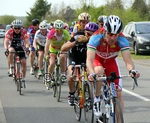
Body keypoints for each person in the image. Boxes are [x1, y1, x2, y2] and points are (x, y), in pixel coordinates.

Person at [86, 15, 140, 118]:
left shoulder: (122, 40)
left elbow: (128, 60)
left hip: (111, 63)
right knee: (99, 71)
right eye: (110, 34)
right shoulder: (96, 37)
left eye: (116, 35)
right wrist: (92, 73)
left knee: (118, 94)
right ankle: (97, 98)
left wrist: (132, 70)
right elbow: (89, 60)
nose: (113, 38)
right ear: (105, 31)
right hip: (97, 60)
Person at [61, 22, 99, 106]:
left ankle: (90, 96)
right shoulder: (77, 36)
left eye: (93, 35)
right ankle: (71, 94)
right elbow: (63, 48)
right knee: (72, 76)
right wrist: (75, 42)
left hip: (86, 60)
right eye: (88, 34)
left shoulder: (97, 40)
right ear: (84, 31)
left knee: (91, 76)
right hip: (74, 58)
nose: (90, 36)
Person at [4, 19, 29, 83]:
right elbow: (6, 41)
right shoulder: (9, 32)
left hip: (21, 46)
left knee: (24, 62)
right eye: (15, 28)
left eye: (19, 28)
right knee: (11, 51)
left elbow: (26, 42)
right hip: (12, 45)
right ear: (12, 27)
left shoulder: (24, 32)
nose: (17, 30)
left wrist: (27, 48)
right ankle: (11, 66)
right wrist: (6, 49)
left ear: (21, 28)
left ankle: (23, 77)